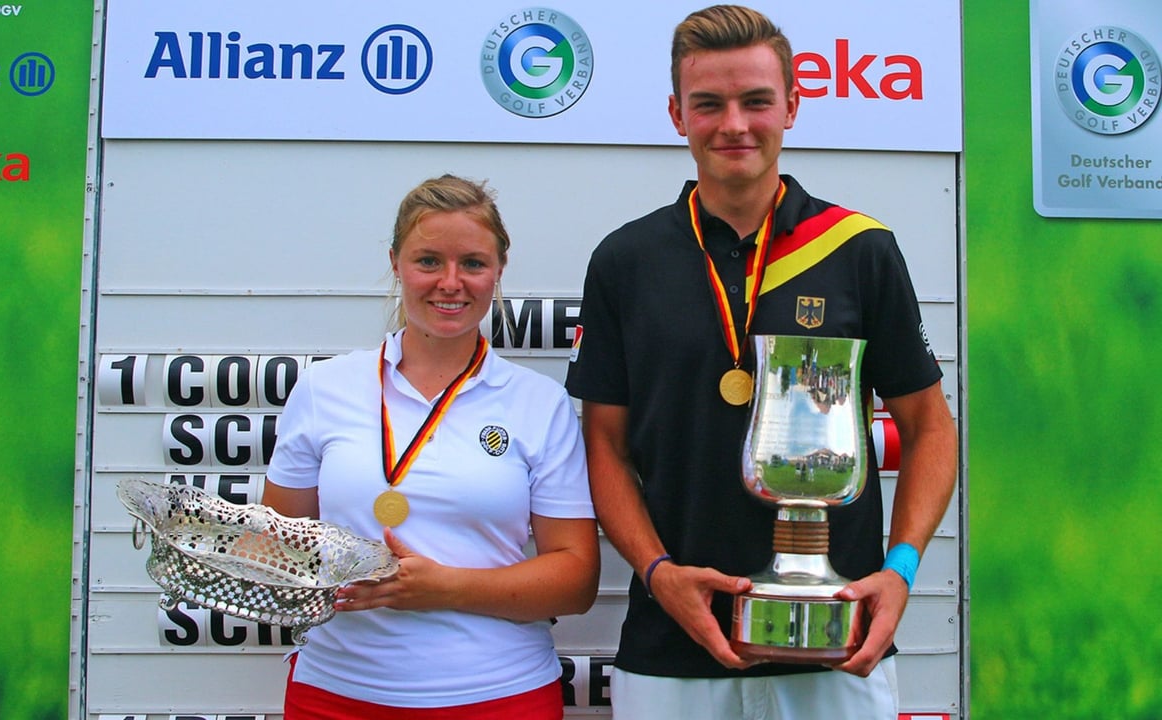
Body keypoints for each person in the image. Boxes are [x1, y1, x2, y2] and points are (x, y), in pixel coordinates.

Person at [564, 5, 958, 719]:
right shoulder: (625, 259)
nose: (734, 125)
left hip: (840, 637)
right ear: (676, 113)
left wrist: (899, 572)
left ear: (793, 106)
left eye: (756, 101)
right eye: (709, 104)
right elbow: (605, 446)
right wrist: (657, 575)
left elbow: (929, 427)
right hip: (671, 648)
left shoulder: (860, 248)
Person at [264, 174, 599, 719]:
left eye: (472, 263)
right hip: (336, 693)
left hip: (500, 695)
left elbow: (576, 581)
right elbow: (276, 546)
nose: (451, 282)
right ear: (396, 262)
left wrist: (445, 588)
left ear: (498, 270)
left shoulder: (539, 403)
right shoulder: (325, 388)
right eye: (428, 261)